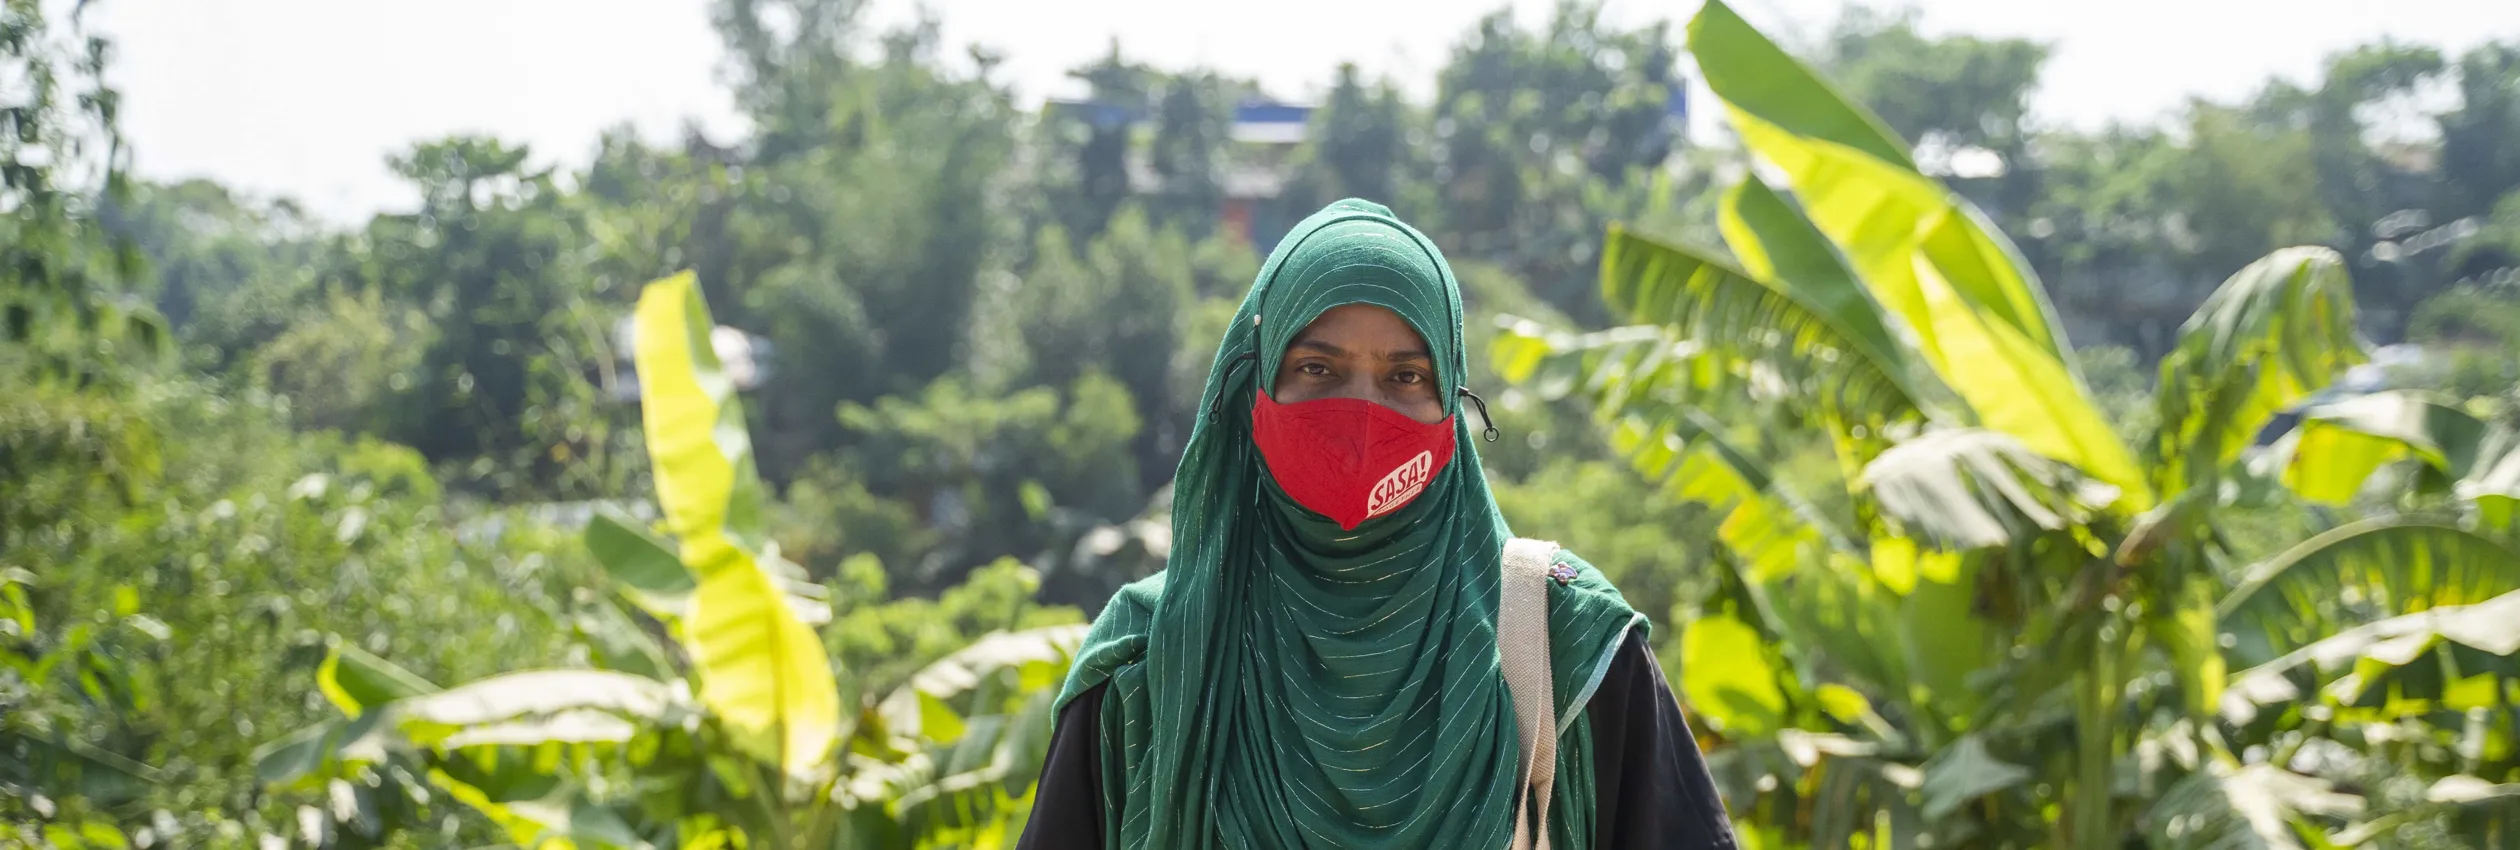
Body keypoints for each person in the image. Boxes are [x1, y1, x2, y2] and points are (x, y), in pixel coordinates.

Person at [1015, 199, 1737, 849]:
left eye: (1406, 376)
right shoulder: (1147, 666)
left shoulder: (1569, 645)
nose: (1363, 417)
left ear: (1452, 404)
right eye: (1317, 370)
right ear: (1252, 389)